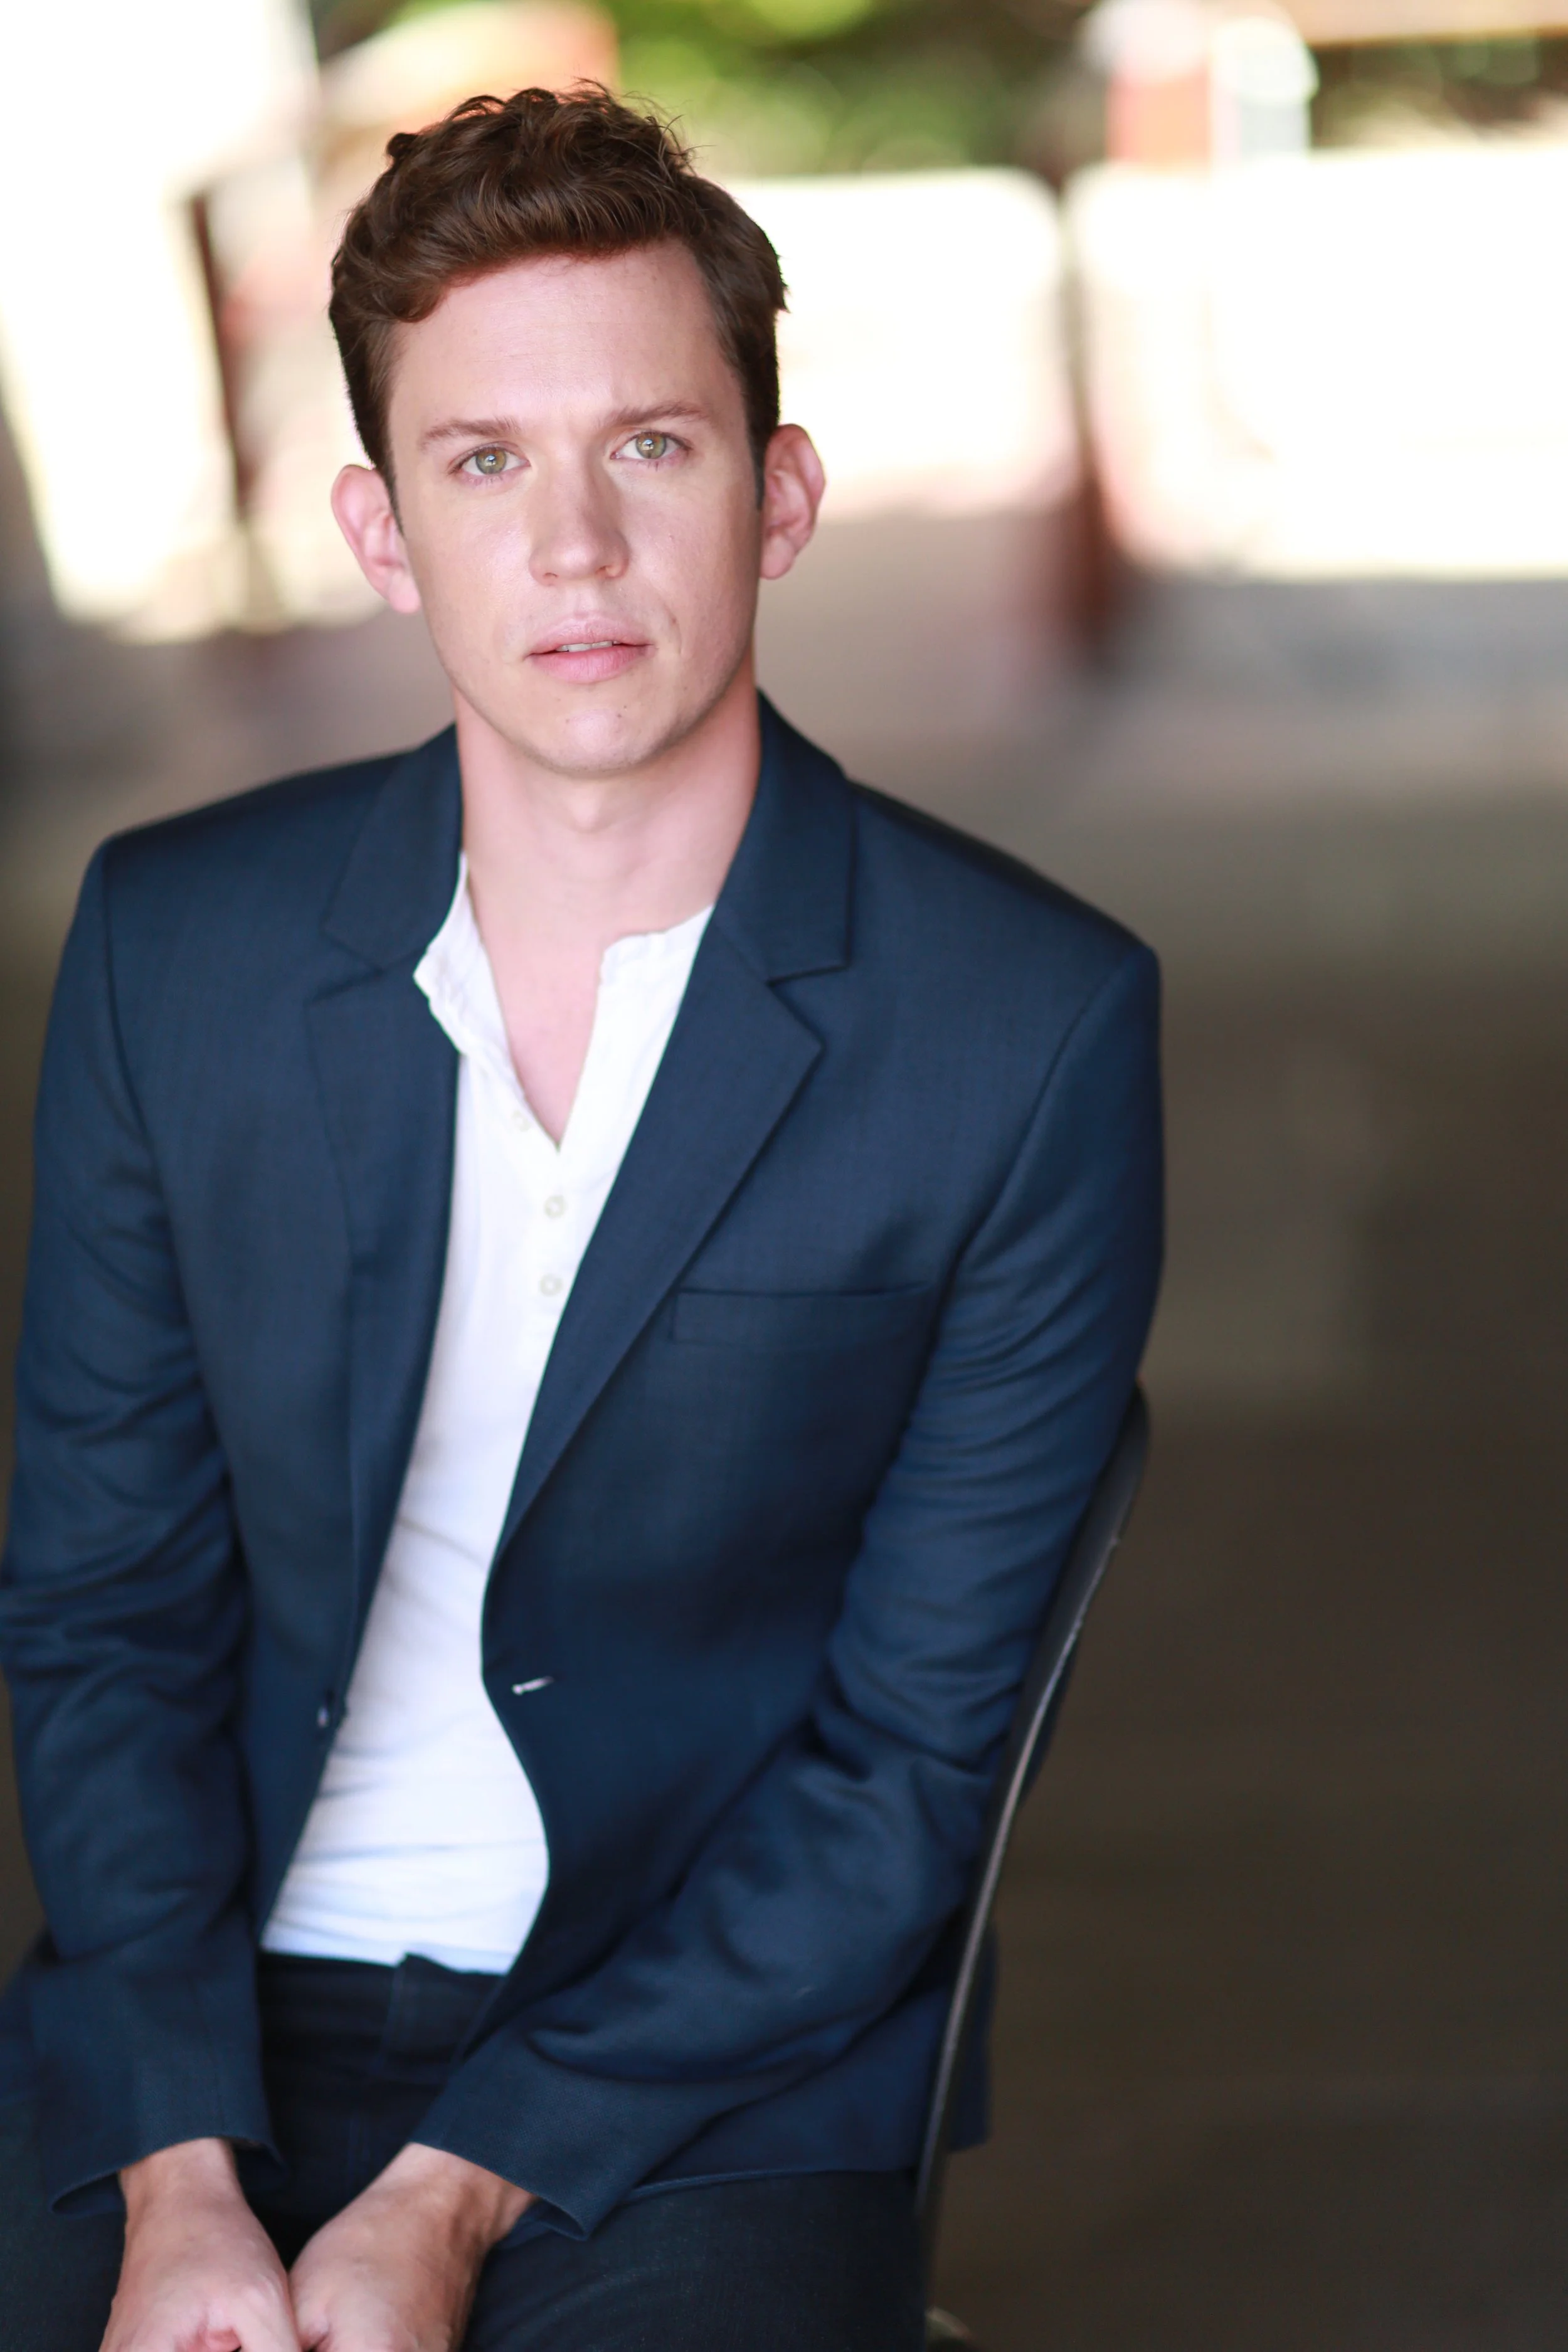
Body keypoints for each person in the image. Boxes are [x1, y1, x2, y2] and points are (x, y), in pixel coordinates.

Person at [0, 84, 1162, 2352]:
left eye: (649, 446)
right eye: (482, 462)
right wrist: (175, 2173)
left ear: (778, 493)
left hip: (712, 2058)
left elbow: (907, 1768)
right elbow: (104, 1611)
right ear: (377, 528)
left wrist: (443, 2203)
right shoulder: (172, 950)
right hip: (198, 2004)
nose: (573, 548)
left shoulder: (1023, 1023)